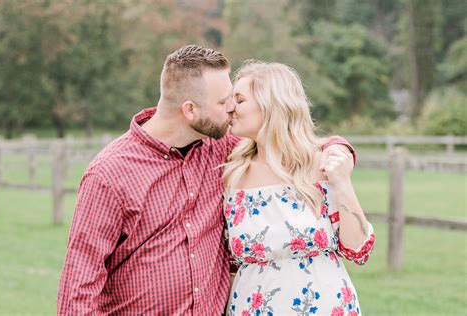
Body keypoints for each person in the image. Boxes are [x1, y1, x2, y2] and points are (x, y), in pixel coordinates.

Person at [57, 45, 357, 315]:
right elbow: (79, 284)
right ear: (190, 110)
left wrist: (337, 147)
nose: (232, 108)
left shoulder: (220, 148)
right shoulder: (110, 173)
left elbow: (285, 139)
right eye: (224, 102)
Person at [223, 61, 375, 315]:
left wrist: (342, 181)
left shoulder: (321, 164)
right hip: (251, 306)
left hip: (323, 304)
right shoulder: (233, 172)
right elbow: (230, 264)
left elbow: (358, 249)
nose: (230, 107)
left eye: (239, 99)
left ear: (270, 104)